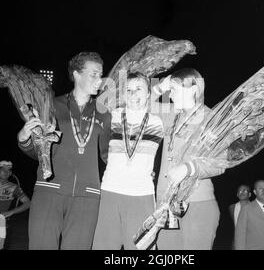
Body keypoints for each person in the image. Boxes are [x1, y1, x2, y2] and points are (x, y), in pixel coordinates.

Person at [17, 52, 111, 250]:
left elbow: (107, 154)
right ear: (76, 74)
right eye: (93, 74)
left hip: (88, 195)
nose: (99, 80)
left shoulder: (104, 113)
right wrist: (24, 139)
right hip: (49, 190)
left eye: (100, 75)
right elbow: (40, 152)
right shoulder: (51, 106)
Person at [153, 68, 226, 250]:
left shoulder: (211, 118)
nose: (171, 95)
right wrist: (159, 88)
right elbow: (140, 106)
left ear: (193, 90)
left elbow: (220, 162)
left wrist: (188, 168)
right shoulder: (170, 114)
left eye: (175, 90)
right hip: (165, 205)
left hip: (198, 204)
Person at [92, 72, 164, 250]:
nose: (133, 94)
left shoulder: (159, 122)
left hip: (141, 194)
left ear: (149, 93)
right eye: (129, 90)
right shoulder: (112, 117)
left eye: (139, 89)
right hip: (109, 191)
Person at [0, 160, 30, 249]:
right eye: (3, 169)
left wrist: (12, 212)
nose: (7, 172)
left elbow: (28, 203)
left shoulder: (14, 188)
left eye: (9, 170)